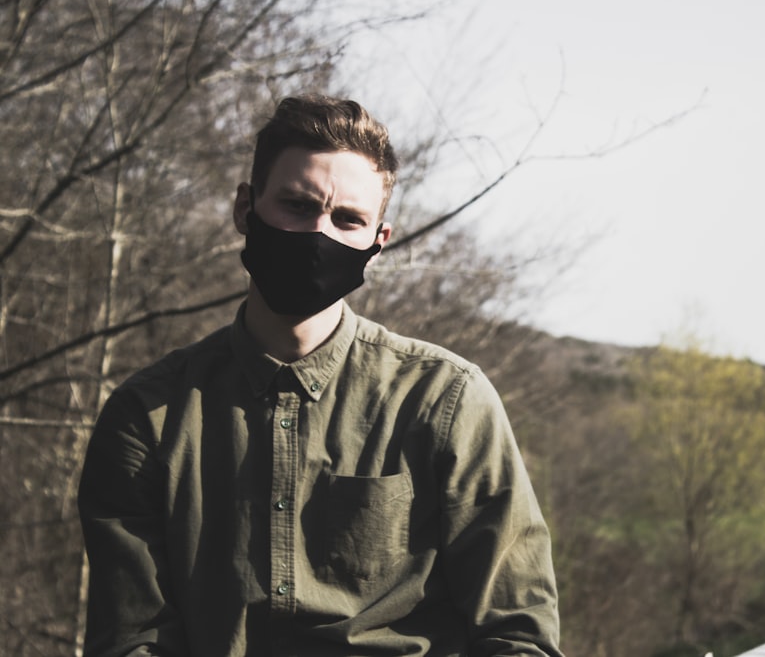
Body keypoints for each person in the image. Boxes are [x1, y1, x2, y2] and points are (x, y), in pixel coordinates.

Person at [77, 95, 563, 657]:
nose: (317, 235)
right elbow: (132, 640)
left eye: (347, 219)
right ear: (245, 208)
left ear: (377, 243)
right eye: (296, 205)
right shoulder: (149, 416)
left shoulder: (445, 399)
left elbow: (517, 630)